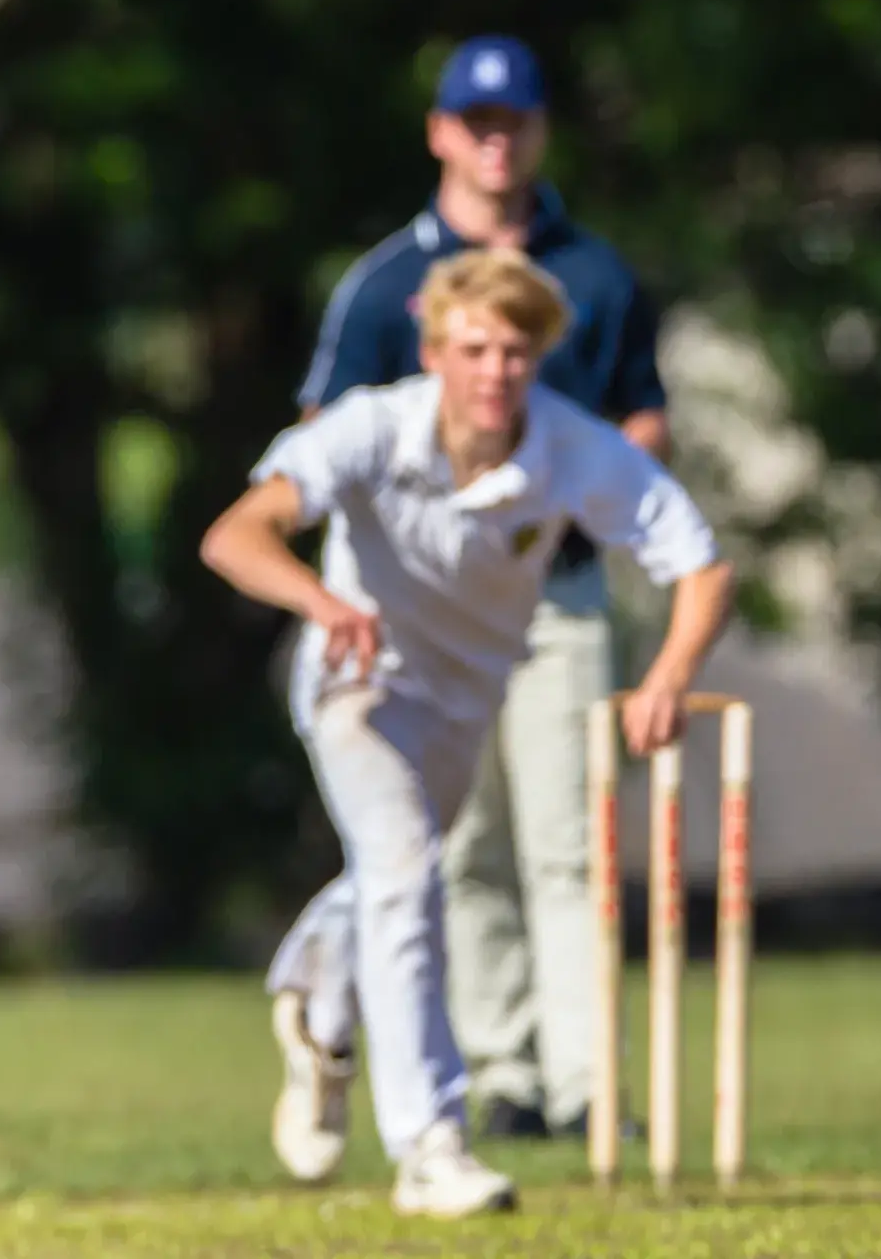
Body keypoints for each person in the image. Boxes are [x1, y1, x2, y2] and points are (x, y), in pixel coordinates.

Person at [205, 250, 733, 1216]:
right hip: (357, 685)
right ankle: (430, 1146)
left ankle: (320, 1018)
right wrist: (325, 607)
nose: (496, 371)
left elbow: (699, 564)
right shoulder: (373, 428)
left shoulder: (569, 447)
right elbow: (235, 534)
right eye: (475, 349)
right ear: (436, 353)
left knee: (390, 876)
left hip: (465, 697)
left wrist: (667, 678)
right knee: (407, 871)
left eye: (516, 352)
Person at [293, 34, 668, 1143]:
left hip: (554, 596)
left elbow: (642, 414)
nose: (496, 144)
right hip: (423, 614)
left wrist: (565, 490)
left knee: (570, 841)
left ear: (540, 130)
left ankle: (588, 1083)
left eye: (515, 123)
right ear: (442, 133)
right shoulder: (387, 286)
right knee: (459, 848)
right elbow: (322, 435)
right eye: (476, 123)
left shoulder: (595, 275)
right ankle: (502, 1070)